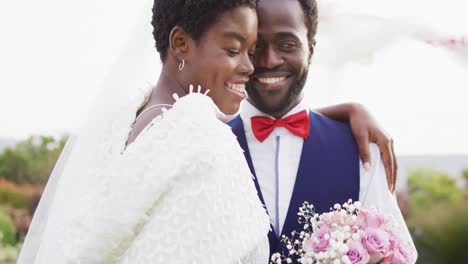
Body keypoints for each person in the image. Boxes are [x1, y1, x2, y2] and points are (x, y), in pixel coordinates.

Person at [19, 0, 398, 263]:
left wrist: (340, 114)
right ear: (181, 43)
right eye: (237, 50)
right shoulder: (204, 137)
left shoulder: (128, 122)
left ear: (311, 49)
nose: (255, 65)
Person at [228, 0, 417, 262]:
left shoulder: (363, 150)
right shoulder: (212, 147)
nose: (269, 60)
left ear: (311, 49)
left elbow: (398, 255)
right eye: (256, 46)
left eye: (287, 44)